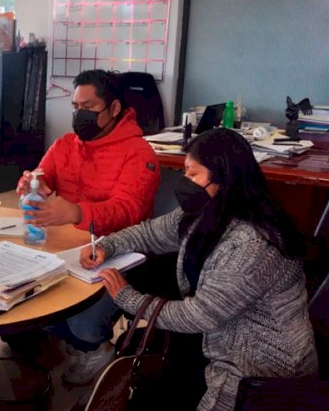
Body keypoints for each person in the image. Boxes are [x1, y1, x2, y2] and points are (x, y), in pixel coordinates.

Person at [94, 129, 318, 410]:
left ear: (223, 179)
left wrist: (128, 298)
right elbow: (152, 233)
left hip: (260, 368)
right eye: (185, 171)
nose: (184, 181)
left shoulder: (253, 244)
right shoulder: (208, 210)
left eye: (192, 173)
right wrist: (107, 246)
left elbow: (198, 315)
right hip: (220, 337)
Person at [12, 69, 161, 384]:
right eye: (76, 107)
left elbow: (130, 210)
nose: (80, 115)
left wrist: (77, 212)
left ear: (114, 108)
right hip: (67, 244)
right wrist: (30, 183)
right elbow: (42, 175)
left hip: (119, 251)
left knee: (83, 321)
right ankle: (57, 339)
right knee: (21, 293)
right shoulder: (66, 144)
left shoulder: (140, 153)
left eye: (89, 107)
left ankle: (93, 348)